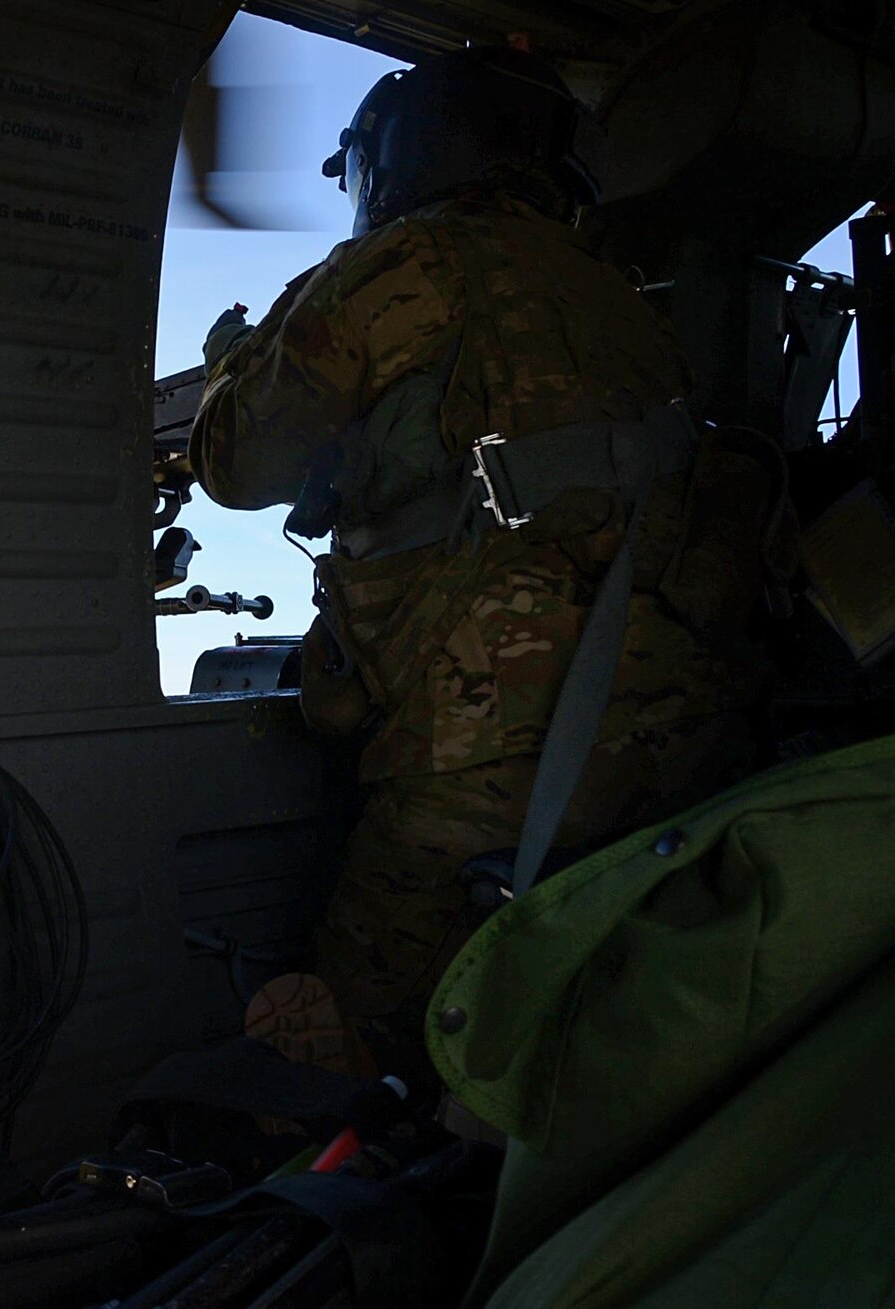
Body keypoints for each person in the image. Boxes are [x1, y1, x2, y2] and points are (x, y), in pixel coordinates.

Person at [191, 47, 783, 1092]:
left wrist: (233, 363)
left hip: (474, 764)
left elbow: (235, 466)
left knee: (339, 1068)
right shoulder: (620, 301)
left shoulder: (406, 265)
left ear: (403, 154)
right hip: (669, 749)